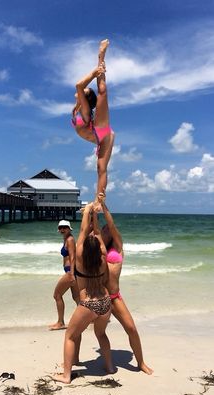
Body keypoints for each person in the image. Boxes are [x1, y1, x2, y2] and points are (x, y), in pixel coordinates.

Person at [52, 203, 114, 384]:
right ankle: (110, 367)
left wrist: (87, 212)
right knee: (101, 334)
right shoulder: (103, 257)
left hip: (88, 304)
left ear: (83, 248)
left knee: (70, 336)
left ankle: (66, 376)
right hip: (105, 302)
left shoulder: (79, 259)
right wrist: (94, 215)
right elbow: (97, 236)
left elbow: (82, 232)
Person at [98, 195, 153, 375]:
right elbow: (93, 229)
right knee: (96, 332)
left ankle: (141, 362)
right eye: (104, 229)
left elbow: (111, 226)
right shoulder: (98, 247)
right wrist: (92, 213)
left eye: (108, 228)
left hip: (115, 296)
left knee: (131, 329)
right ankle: (105, 363)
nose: (107, 229)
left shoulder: (118, 248)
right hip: (100, 298)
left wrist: (104, 207)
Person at [72, 39, 114, 207]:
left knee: (102, 91)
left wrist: (96, 71)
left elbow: (78, 85)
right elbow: (80, 89)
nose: (82, 92)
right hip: (99, 136)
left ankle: (101, 56)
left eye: (84, 93)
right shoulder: (77, 108)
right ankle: (99, 200)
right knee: (99, 168)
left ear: (85, 99)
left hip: (102, 131)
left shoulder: (85, 112)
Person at [49, 220, 79, 331]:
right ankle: (88, 319)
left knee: (57, 295)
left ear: (69, 228)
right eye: (60, 227)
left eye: (64, 227)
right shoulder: (66, 239)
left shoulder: (70, 240)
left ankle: (60, 322)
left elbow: (72, 257)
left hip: (70, 271)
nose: (62, 229)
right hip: (71, 271)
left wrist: (71, 273)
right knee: (77, 298)